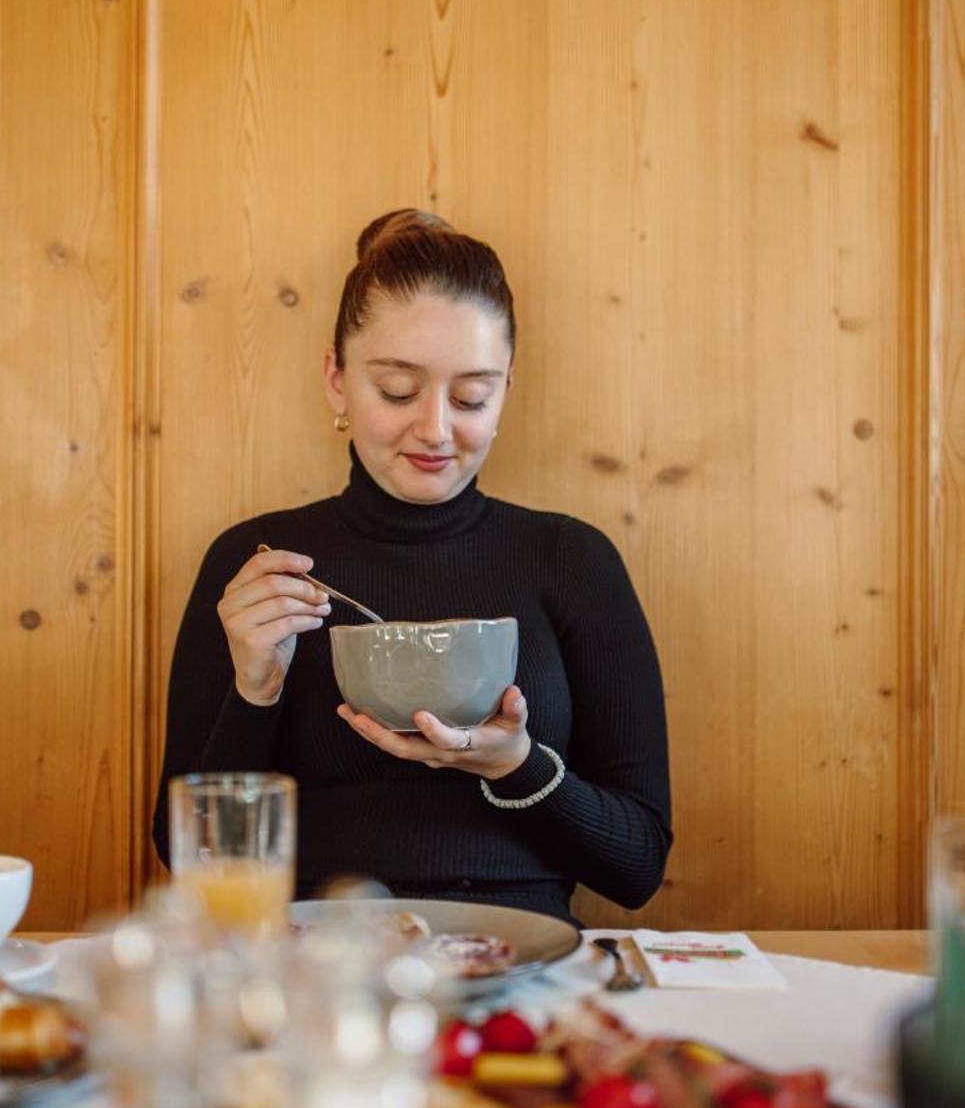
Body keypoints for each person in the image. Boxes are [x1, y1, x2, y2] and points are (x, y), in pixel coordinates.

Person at [151, 209, 671, 922]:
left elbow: (638, 863)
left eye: (470, 397)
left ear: (507, 389)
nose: (434, 428)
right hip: (316, 967)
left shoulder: (572, 562)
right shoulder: (260, 567)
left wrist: (513, 764)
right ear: (336, 380)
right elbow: (185, 861)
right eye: (397, 390)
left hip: (521, 958)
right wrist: (255, 689)